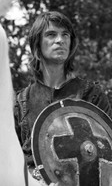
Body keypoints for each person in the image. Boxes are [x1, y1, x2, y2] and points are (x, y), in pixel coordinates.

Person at [14, 11, 112, 183]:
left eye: (65, 34)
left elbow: (108, 156)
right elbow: (10, 159)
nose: (60, 40)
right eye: (51, 35)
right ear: (37, 45)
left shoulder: (92, 94)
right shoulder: (21, 102)